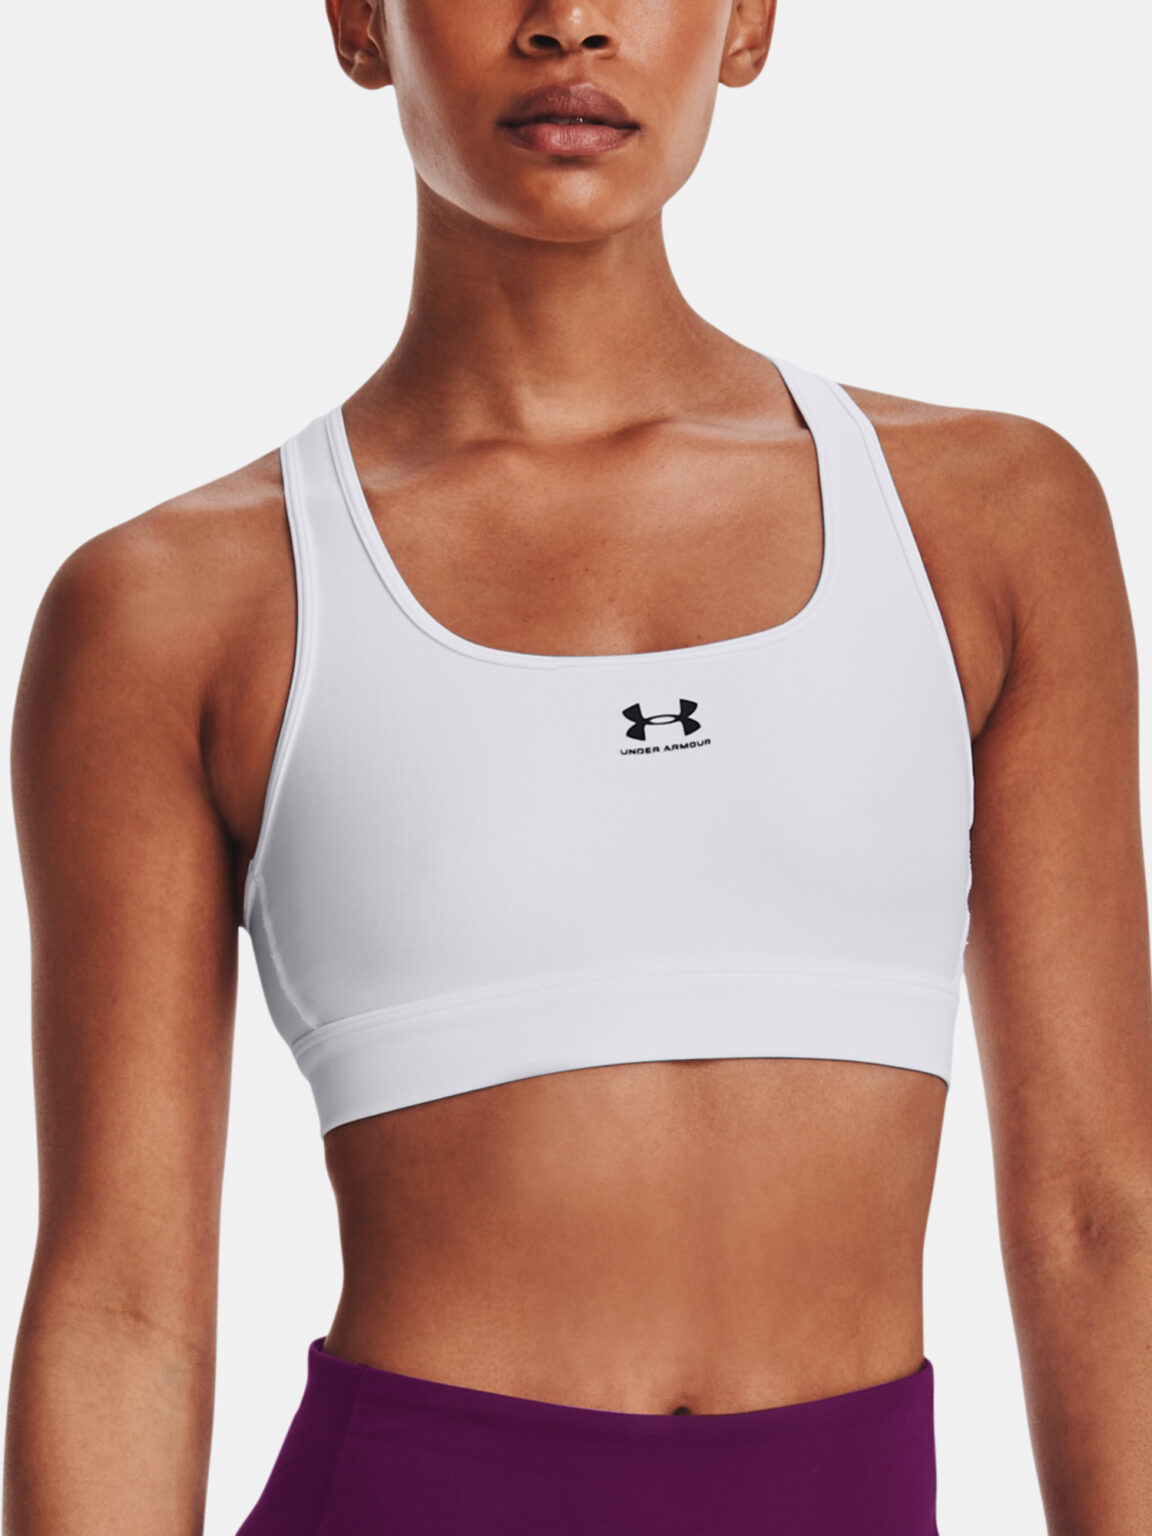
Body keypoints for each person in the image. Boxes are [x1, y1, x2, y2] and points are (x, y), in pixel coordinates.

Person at [6, 0, 1152, 1531]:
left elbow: (1098, 1220)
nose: (570, 26)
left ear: (748, 24)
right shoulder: (178, 606)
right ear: (360, 23)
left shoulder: (994, 522)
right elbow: (123, 1301)